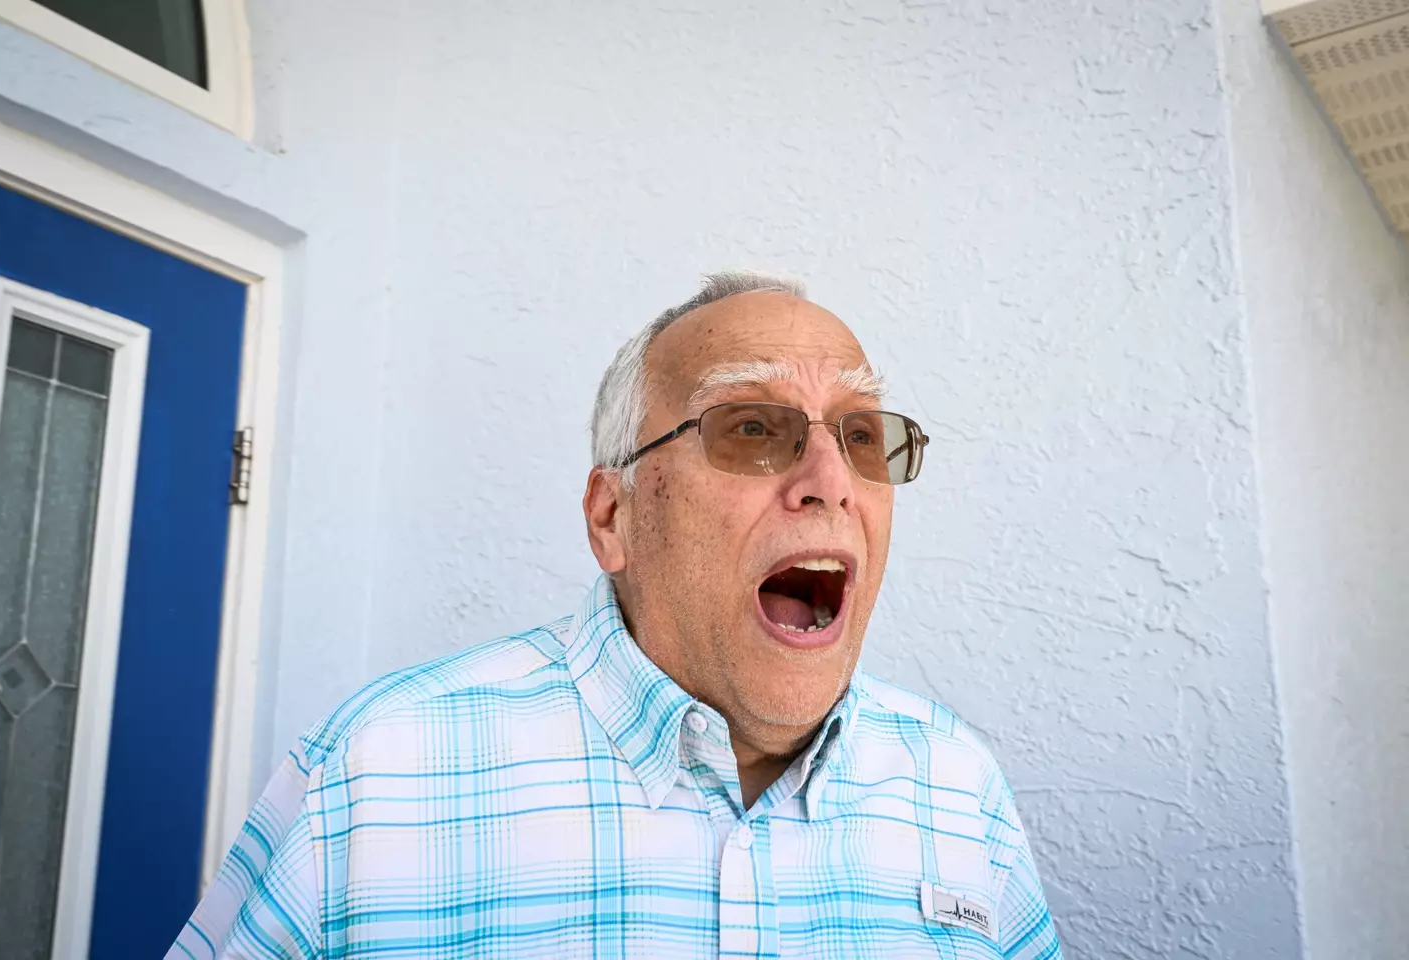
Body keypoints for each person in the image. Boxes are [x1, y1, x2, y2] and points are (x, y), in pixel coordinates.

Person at [169, 272, 1062, 959]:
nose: (832, 483)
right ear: (613, 517)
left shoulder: (957, 786)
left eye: (863, 436)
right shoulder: (377, 770)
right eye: (752, 428)